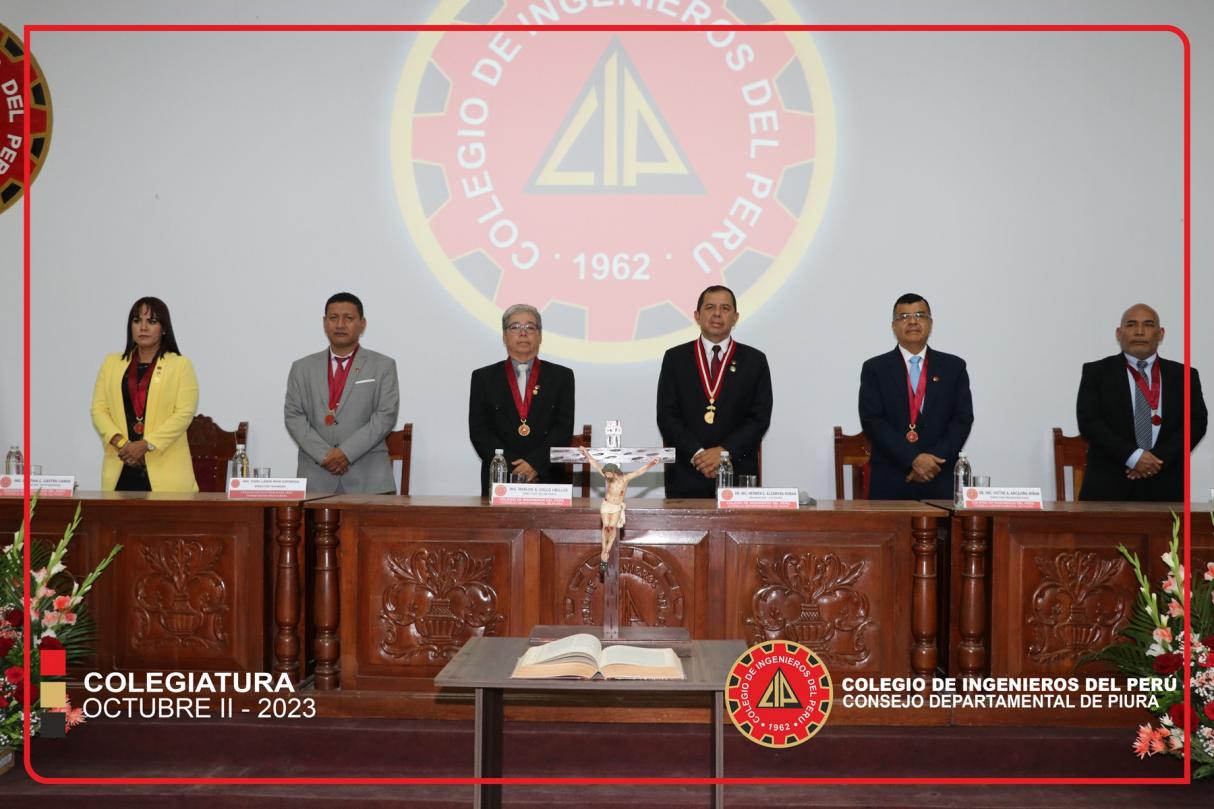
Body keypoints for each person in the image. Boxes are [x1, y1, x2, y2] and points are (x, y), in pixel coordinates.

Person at [1076, 303, 1207, 502]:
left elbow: (1196, 423)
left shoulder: (1185, 375)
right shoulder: (1096, 372)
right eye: (1131, 325)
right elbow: (1089, 422)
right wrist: (1134, 457)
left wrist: (1155, 460)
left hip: (1166, 486)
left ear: (1160, 333)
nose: (1139, 331)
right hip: (1108, 488)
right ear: (1119, 333)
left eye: (1148, 324)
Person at [656, 285, 772, 498]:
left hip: (737, 472)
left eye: (725, 308)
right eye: (710, 307)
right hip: (687, 473)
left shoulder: (755, 360)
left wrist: (724, 453)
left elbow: (759, 419)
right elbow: (667, 416)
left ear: (735, 317)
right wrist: (699, 455)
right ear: (697, 316)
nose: (717, 314)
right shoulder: (675, 358)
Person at [858, 293, 974, 500]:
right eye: (904, 317)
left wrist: (931, 462)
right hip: (892, 478)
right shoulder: (875, 369)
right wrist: (913, 459)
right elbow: (873, 421)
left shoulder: (954, 367)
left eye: (919, 315)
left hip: (940, 477)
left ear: (930, 323)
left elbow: (962, 419)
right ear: (894, 326)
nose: (912, 321)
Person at [284, 292, 400, 494]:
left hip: (369, 480)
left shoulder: (383, 366)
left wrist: (346, 453)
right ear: (324, 323)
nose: (340, 325)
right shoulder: (302, 368)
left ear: (362, 324)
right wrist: (325, 455)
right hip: (316, 479)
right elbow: (294, 416)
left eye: (348, 318)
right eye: (333, 318)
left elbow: (385, 416)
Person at [90, 297, 199, 492]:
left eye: (152, 321)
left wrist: (146, 444)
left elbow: (184, 414)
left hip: (166, 472)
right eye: (137, 320)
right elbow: (99, 409)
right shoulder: (111, 363)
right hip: (121, 463)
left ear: (164, 328)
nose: (143, 327)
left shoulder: (180, 365)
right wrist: (123, 444)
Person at [469, 304, 575, 496]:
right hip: (501, 477)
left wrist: (535, 464)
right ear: (504, 335)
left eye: (530, 327)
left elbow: (563, 428)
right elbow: (479, 431)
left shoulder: (562, 377)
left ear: (540, 336)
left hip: (548, 478)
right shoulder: (483, 378)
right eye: (515, 327)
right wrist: (514, 467)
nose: (523, 333)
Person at [580, 448, 660, 570]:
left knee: (612, 527)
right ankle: (603, 551)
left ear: (614, 472)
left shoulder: (625, 479)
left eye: (608, 473)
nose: (606, 475)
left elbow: (639, 471)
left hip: (616, 506)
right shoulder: (607, 477)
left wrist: (651, 464)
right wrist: (586, 454)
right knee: (605, 526)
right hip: (606, 504)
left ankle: (607, 550)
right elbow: (596, 465)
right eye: (606, 473)